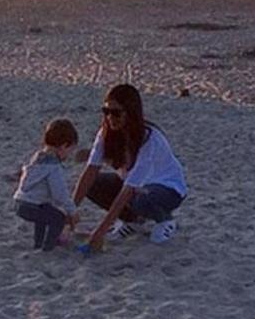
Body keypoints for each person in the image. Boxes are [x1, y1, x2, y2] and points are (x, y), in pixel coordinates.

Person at [72, 84, 187, 251]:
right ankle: (133, 221)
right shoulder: (106, 133)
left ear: (130, 112)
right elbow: (90, 171)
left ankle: (165, 220)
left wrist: (99, 233)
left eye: (116, 113)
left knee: (139, 198)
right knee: (94, 184)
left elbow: (129, 189)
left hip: (167, 188)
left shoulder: (149, 138)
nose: (110, 117)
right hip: (134, 186)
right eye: (106, 111)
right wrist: (69, 211)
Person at [13, 119, 80, 251]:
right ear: (64, 146)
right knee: (58, 219)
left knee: (45, 213)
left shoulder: (37, 159)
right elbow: (60, 194)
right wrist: (72, 212)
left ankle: (38, 243)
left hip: (19, 202)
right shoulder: (53, 167)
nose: (69, 155)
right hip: (31, 205)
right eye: (70, 151)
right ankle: (49, 246)